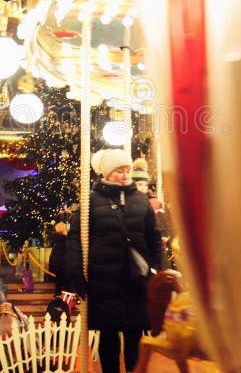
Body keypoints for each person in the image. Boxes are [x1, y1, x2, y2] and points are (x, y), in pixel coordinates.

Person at [66, 148, 166, 373]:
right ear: (108, 173)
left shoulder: (141, 202)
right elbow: (76, 237)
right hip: (105, 279)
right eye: (119, 170)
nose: (125, 174)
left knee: (135, 334)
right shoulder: (91, 201)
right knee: (108, 335)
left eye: (127, 170)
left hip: (136, 280)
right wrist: (75, 271)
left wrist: (158, 270)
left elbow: (154, 238)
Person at [48, 221, 68, 296]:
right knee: (64, 279)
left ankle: (57, 293)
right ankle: (63, 294)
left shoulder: (55, 238)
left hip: (55, 263)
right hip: (63, 263)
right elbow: (69, 229)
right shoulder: (65, 240)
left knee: (59, 279)